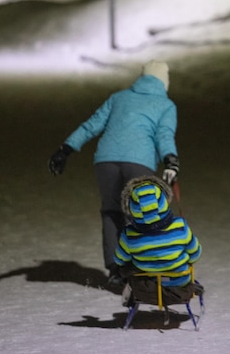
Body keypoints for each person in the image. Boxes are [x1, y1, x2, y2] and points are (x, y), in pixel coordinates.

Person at [48, 60, 180, 287]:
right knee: (144, 214)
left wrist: (65, 150)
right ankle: (142, 270)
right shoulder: (165, 105)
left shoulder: (119, 97)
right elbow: (164, 135)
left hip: (106, 161)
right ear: (164, 81)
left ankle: (116, 269)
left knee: (111, 212)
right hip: (139, 163)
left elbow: (92, 125)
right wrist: (171, 160)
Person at [113, 175, 202, 306]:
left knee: (128, 267)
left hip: (148, 291)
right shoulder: (180, 226)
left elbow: (119, 260)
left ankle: (131, 294)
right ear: (163, 202)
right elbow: (196, 253)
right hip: (179, 287)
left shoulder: (129, 234)